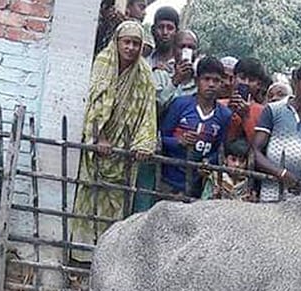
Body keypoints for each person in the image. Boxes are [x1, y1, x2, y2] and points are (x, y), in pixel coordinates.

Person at [71, 21, 157, 263]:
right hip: (98, 149)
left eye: (135, 43)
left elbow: (148, 114)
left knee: (116, 205)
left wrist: (143, 144)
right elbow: (94, 103)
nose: (130, 47)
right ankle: (79, 255)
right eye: (126, 42)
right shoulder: (103, 63)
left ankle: (106, 259)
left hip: (123, 152)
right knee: (88, 198)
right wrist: (99, 136)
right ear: (117, 42)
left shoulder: (144, 76)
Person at [253, 62, 301, 202]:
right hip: (270, 191)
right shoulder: (273, 110)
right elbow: (255, 152)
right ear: (295, 82)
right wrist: (281, 173)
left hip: (300, 195)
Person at [159, 56, 233, 198]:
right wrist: (179, 141)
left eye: (216, 80)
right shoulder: (180, 104)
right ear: (197, 80)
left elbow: (219, 149)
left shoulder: (224, 115)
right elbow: (160, 137)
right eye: (206, 79)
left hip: (198, 184)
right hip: (169, 180)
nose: (211, 84)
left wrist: (208, 162)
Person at [226, 57, 268, 143]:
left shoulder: (263, 112)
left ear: (259, 85)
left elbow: (258, 145)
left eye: (251, 80)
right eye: (242, 78)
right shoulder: (219, 105)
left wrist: (246, 118)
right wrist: (227, 113)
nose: (246, 83)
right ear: (233, 78)